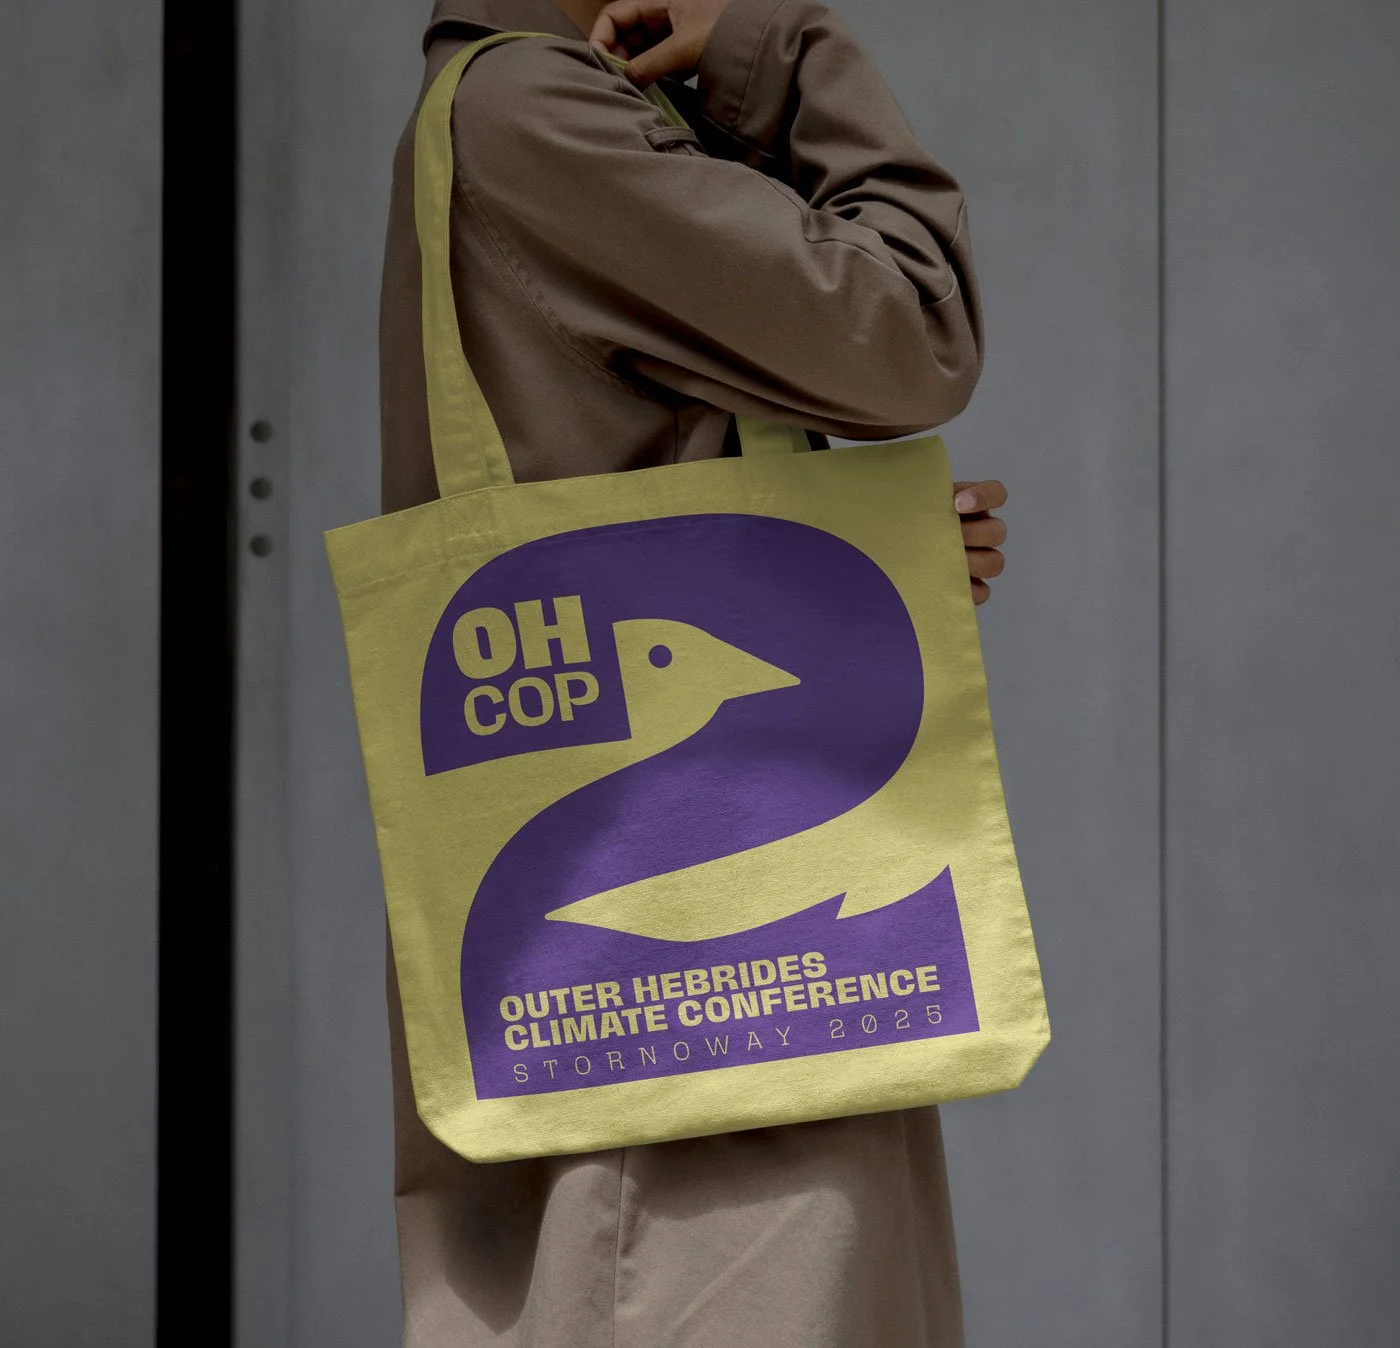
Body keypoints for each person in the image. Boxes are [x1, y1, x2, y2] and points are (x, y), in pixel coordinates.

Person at [379, 2, 1007, 1344]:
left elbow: (653, 453)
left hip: (718, 920)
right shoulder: (536, 112)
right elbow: (907, 327)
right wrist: (782, 47)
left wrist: (860, 568)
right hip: (699, 969)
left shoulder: (550, 110)